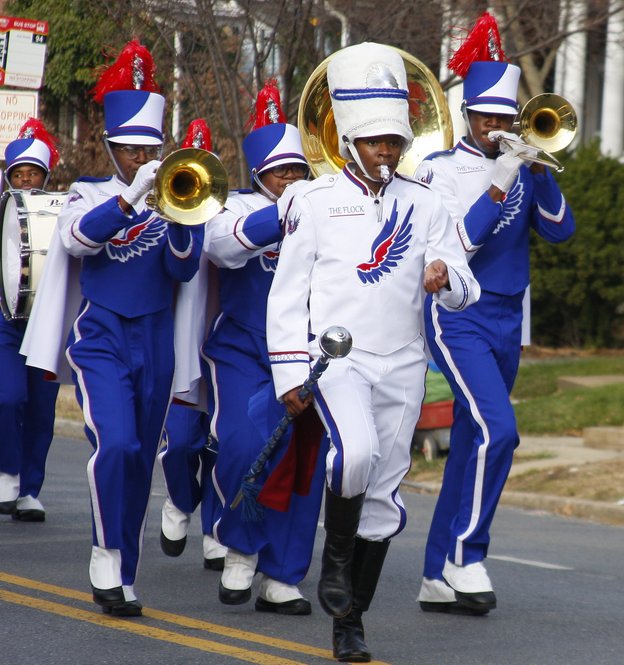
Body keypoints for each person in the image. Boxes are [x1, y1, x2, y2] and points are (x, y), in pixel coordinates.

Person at [267, 42, 479, 663]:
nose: (386, 150)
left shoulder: (427, 201)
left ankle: (349, 621)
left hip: (405, 361)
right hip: (340, 360)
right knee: (352, 452)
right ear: (352, 141)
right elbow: (287, 297)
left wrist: (447, 276)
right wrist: (288, 371)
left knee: (385, 498)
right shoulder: (311, 200)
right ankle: (333, 566)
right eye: (375, 141)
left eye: (394, 140)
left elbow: (468, 286)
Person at [412, 11, 575, 616]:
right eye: (487, 118)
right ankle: (466, 553)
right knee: (499, 430)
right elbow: (460, 243)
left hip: (509, 318)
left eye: (505, 119)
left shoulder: (523, 167)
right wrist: (502, 178)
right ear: (466, 117)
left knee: (472, 437)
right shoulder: (439, 171)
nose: (497, 128)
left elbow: (562, 233)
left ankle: (435, 576)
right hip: (457, 314)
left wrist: (537, 169)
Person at [50, 40, 204, 617]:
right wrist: (129, 198)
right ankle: (104, 551)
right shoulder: (87, 191)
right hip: (102, 338)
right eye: (131, 148)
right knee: (115, 444)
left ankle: (125, 570)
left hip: (156, 340)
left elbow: (184, 269)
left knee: (142, 460)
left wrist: (181, 215)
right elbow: (76, 238)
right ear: (112, 146)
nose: (142, 157)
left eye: (150, 148)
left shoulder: (172, 193)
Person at [203, 83, 317, 615]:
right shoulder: (235, 206)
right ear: (259, 177)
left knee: (303, 464)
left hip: (308, 357)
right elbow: (223, 247)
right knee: (245, 447)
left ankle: (282, 574)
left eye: (298, 170)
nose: (291, 180)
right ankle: (241, 547)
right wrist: (287, 211)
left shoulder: (325, 205)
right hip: (243, 350)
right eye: (280, 173)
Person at [156, 118, 227, 571]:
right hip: (181, 341)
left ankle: (217, 529)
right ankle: (181, 501)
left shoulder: (232, 210)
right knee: (182, 443)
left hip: (223, 340)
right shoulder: (160, 213)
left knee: (223, 442)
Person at [0, 118, 61, 521]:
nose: (25, 180)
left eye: (33, 173)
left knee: (41, 408)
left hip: (46, 320)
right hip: (5, 319)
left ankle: (29, 490)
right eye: (18, 174)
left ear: (45, 175)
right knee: (8, 397)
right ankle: (7, 471)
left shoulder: (61, 210)